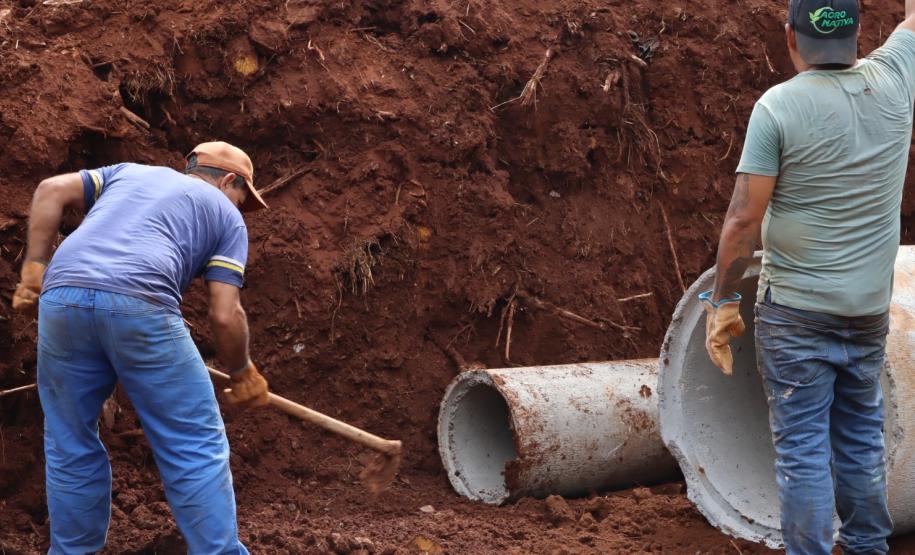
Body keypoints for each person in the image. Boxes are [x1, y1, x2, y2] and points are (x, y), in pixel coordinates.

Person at [701, 1, 915, 553]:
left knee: (802, 451)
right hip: (867, 313)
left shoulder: (778, 107)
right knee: (861, 439)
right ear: (861, 30)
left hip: (795, 313)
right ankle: (869, 547)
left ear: (789, 34)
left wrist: (721, 301)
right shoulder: (894, 79)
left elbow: (744, 219)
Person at [11, 141, 271, 554]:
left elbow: (49, 190)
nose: (241, 210)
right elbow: (224, 314)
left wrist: (34, 270)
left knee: (69, 440)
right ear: (229, 181)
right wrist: (242, 371)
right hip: (140, 302)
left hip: (61, 300)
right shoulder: (226, 216)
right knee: (194, 443)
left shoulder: (127, 173)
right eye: (243, 199)